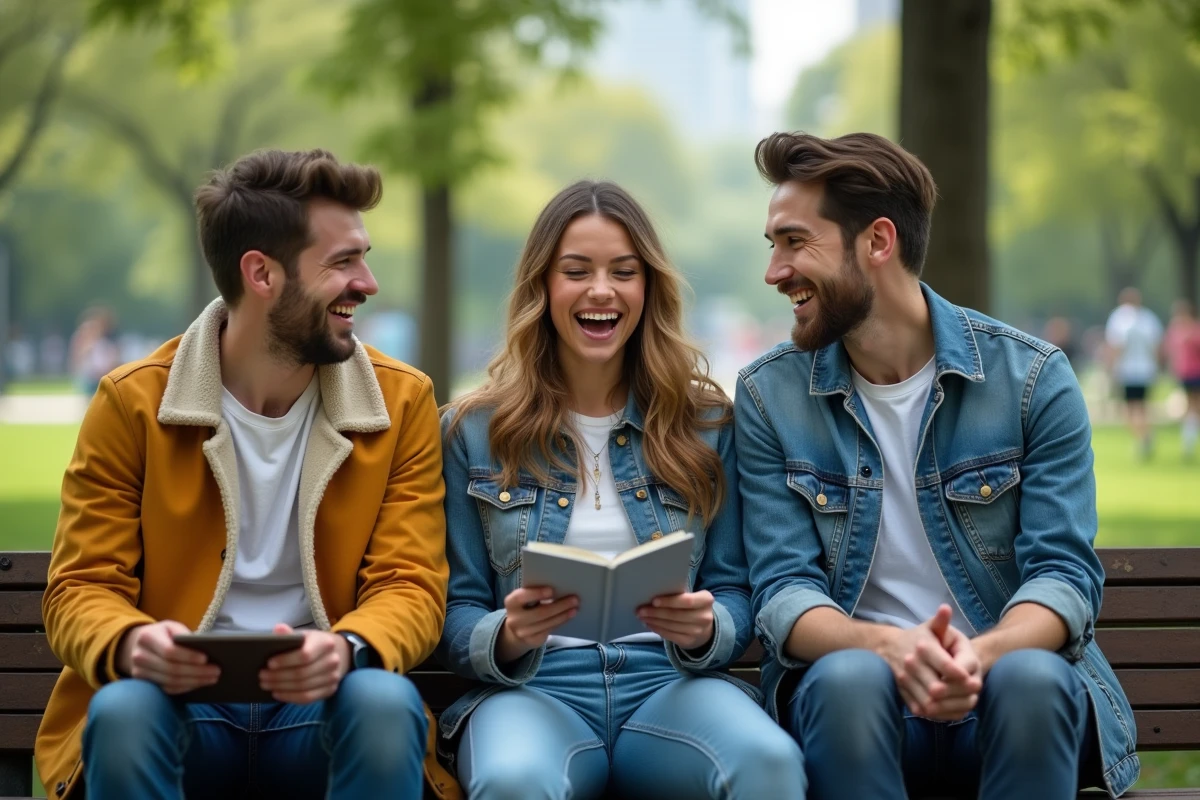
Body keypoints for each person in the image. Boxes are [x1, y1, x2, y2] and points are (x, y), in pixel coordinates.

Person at [35, 149, 456, 800]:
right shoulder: (132, 403)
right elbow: (79, 588)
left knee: (381, 702)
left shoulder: (401, 404)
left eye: (363, 257)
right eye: (343, 262)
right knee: (123, 710)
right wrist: (131, 643)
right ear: (261, 273)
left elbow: (412, 584)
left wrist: (348, 649)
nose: (367, 283)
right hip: (179, 711)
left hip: (324, 708)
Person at [737, 132, 1139, 799]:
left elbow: (1063, 577)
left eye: (794, 242)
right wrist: (889, 649)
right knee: (846, 678)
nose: (774, 272)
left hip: (1004, 693)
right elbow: (782, 593)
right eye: (772, 245)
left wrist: (978, 656)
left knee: (1033, 678)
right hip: (859, 708)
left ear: (877, 242)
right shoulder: (768, 397)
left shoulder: (1033, 379)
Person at [436, 180, 804, 800]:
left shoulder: (707, 424)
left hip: (671, 684)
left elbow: (739, 590)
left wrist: (706, 627)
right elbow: (454, 610)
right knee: (512, 780)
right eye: (576, 271)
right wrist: (507, 633)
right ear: (543, 288)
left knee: (766, 761)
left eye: (623, 272)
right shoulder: (474, 431)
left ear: (647, 288)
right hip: (534, 687)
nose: (601, 290)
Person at [1105, 287, 1164, 458]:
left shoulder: (1120, 318)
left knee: (1130, 408)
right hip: (1146, 369)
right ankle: (1145, 434)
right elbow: (1156, 346)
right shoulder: (1148, 318)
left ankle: (1143, 438)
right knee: (1143, 407)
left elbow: (1117, 345)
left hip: (1128, 370)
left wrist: (1111, 366)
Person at [1165, 298, 1200, 459]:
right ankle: (1189, 440)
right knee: (1192, 407)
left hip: (1195, 372)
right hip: (1187, 373)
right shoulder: (1178, 330)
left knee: (1193, 407)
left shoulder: (1193, 330)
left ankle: (1189, 440)